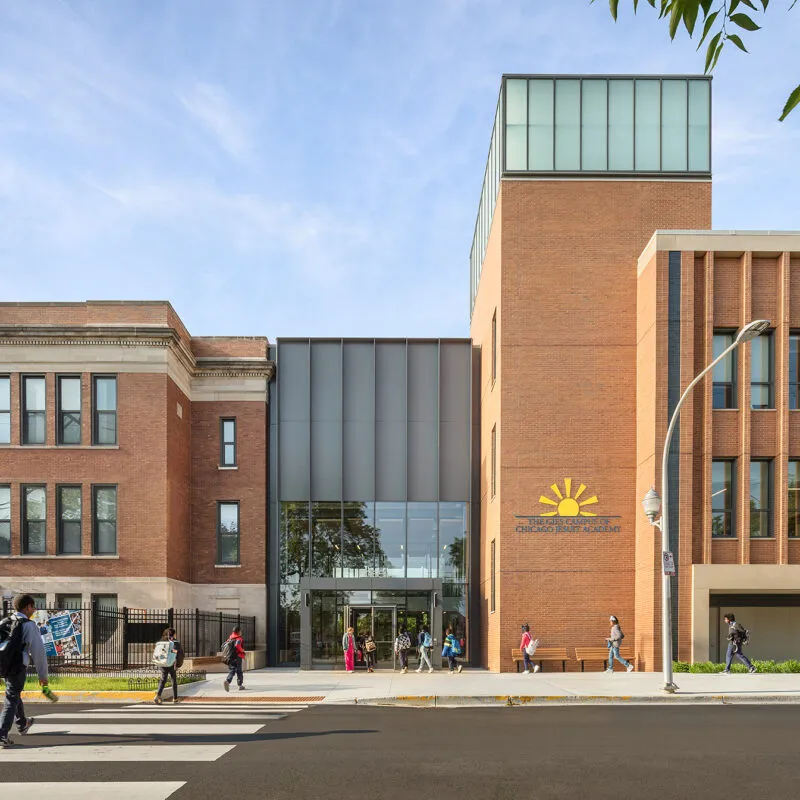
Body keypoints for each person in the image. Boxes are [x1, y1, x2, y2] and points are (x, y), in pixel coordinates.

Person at [0, 594, 49, 748]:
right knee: (12, 695)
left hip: (3, 665)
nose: (34, 610)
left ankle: (22, 723)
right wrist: (43, 676)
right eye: (33, 607)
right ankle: (2, 733)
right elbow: (38, 653)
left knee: (13, 691)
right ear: (27, 607)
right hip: (17, 666)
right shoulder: (29, 625)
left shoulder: (4, 621)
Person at [154, 628, 184, 705]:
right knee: (173, 680)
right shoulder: (175, 643)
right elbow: (179, 655)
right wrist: (178, 664)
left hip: (163, 663)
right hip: (171, 663)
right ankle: (175, 698)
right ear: (174, 634)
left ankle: (158, 695)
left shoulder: (161, 642)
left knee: (163, 679)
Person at [222, 625, 247, 692]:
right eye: (241, 631)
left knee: (232, 670)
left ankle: (227, 681)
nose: (241, 632)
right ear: (238, 632)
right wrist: (242, 651)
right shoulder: (239, 639)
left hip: (230, 657)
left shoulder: (230, 638)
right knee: (239, 671)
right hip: (237, 657)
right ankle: (240, 685)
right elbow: (237, 645)